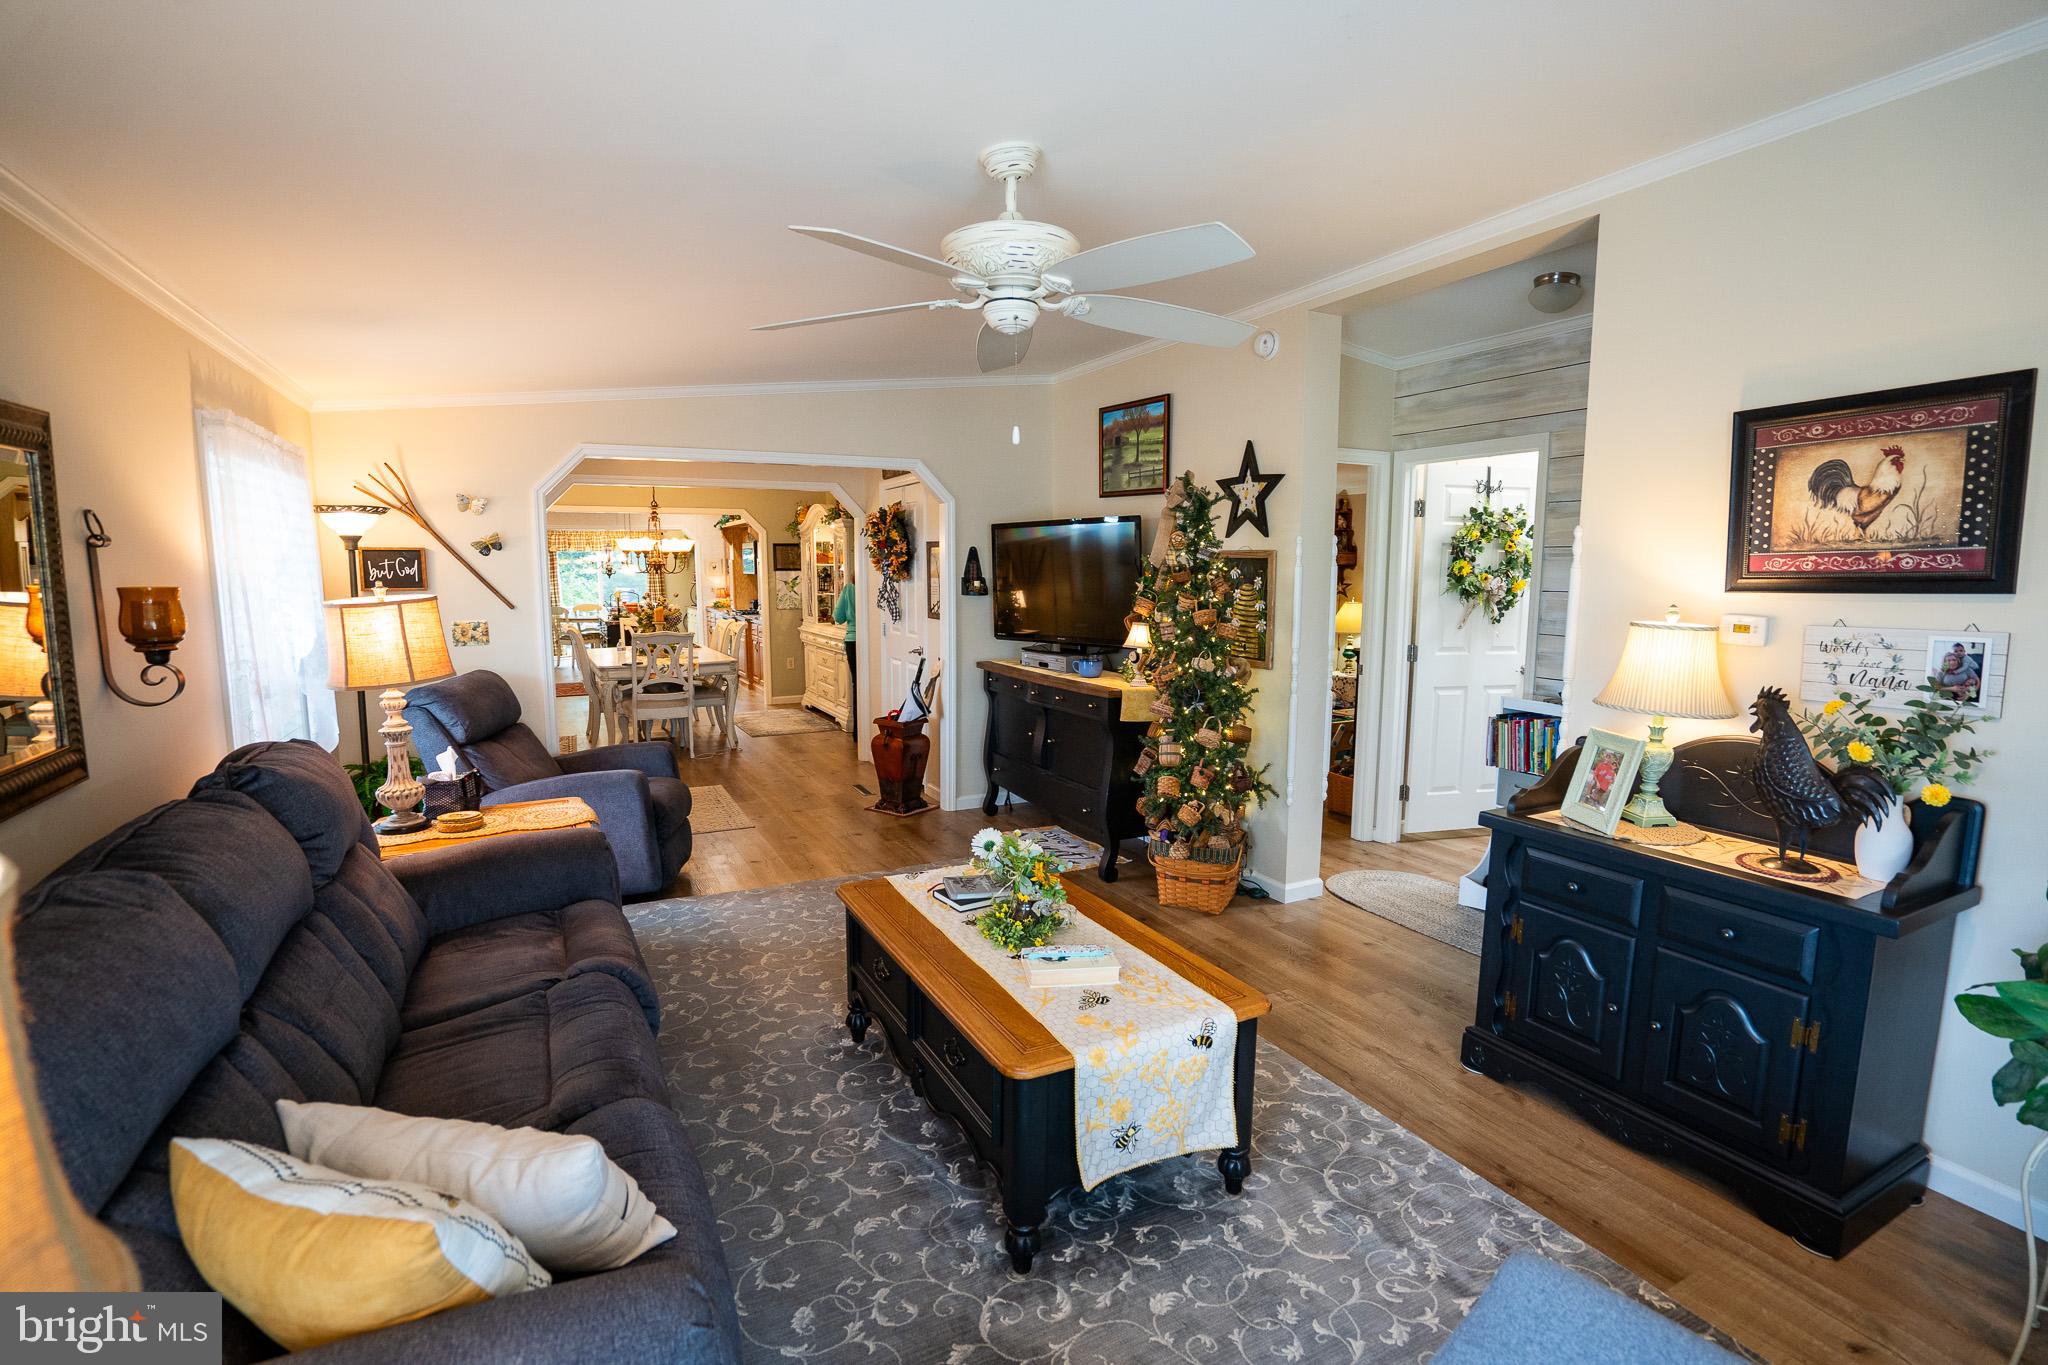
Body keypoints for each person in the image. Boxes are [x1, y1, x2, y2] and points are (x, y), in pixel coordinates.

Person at [833, 579, 857, 725]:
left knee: (857, 683)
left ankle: (858, 730)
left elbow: (838, 617)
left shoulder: (849, 589)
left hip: (852, 640)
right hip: (871, 640)